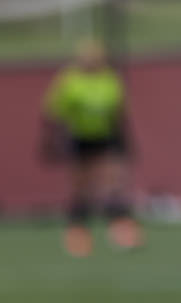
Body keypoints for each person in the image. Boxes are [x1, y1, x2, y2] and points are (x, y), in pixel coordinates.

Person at [42, 40, 142, 257]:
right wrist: (51, 141)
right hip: (80, 139)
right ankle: (78, 236)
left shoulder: (110, 80)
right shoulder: (70, 81)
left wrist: (126, 142)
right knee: (82, 189)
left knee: (115, 183)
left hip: (106, 138)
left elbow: (118, 113)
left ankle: (122, 232)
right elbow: (54, 113)